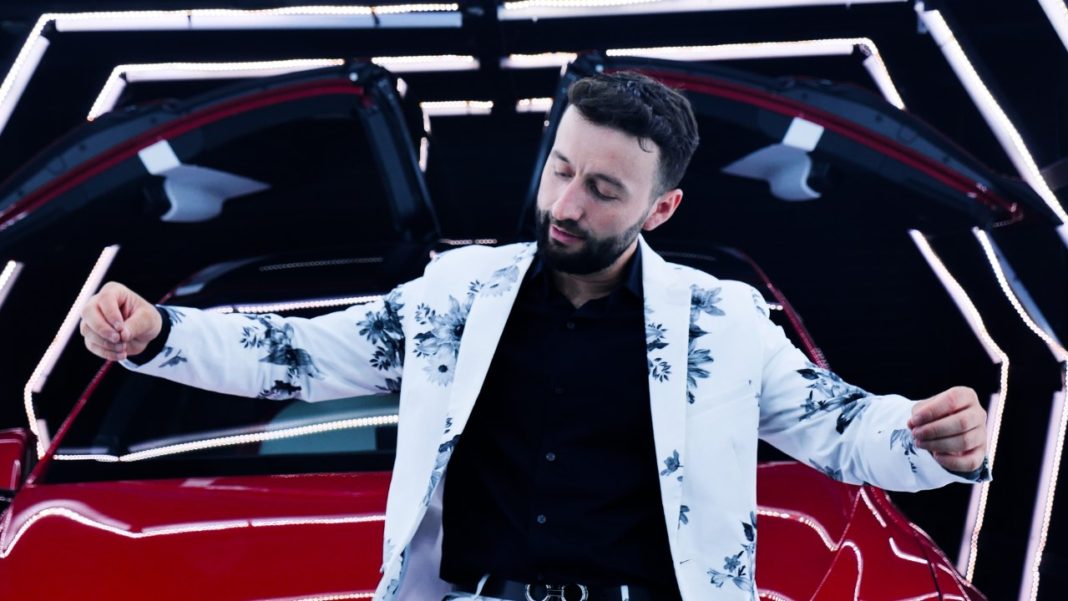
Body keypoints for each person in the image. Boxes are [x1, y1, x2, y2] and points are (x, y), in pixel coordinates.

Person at [80, 72, 989, 601]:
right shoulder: (458, 295)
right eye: (562, 169)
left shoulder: (723, 320)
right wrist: (160, 333)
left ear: (662, 208)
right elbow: (304, 354)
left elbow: (843, 427)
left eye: (603, 189)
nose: (565, 203)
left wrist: (928, 438)